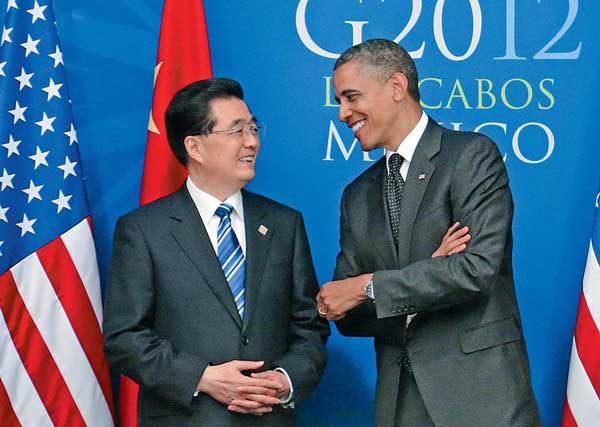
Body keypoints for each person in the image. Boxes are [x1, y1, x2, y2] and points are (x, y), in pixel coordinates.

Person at [316, 39, 540, 427]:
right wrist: (429, 270)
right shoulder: (356, 195)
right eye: (339, 101)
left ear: (397, 87)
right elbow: (346, 313)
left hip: (482, 399)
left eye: (351, 97)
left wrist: (369, 286)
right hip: (400, 403)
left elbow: (475, 271)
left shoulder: (471, 156)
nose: (342, 113)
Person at [103, 78, 330, 427]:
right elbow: (124, 338)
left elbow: (309, 328)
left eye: (254, 127)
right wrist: (203, 378)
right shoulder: (144, 230)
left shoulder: (285, 224)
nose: (252, 141)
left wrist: (286, 380)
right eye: (236, 130)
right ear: (194, 146)